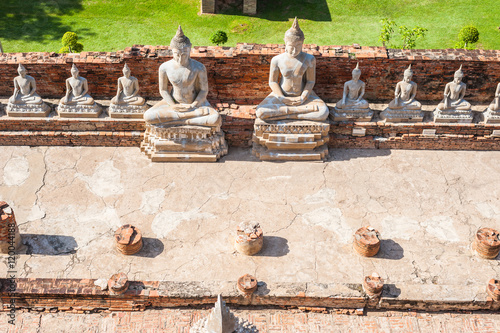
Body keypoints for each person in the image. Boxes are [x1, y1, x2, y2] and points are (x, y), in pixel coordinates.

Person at [143, 26, 220, 127]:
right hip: (174, 103)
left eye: (184, 54)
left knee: (215, 119)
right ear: (172, 51)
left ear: (189, 50)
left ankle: (176, 121)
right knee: (148, 116)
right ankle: (188, 120)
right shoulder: (164, 67)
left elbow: (203, 90)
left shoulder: (198, 67)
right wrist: (173, 105)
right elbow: (163, 90)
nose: (180, 58)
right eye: (177, 54)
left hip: (195, 104)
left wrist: (193, 105)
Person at [255, 18, 328, 122]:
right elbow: (272, 82)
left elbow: (310, 81)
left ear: (302, 43)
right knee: (260, 112)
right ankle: (297, 113)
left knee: (323, 113)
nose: (294, 50)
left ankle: (284, 114)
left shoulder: (309, 59)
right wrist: (281, 97)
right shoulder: (277, 60)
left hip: (303, 97)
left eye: (298, 46)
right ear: (285, 43)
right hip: (281, 96)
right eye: (291, 46)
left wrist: (303, 97)